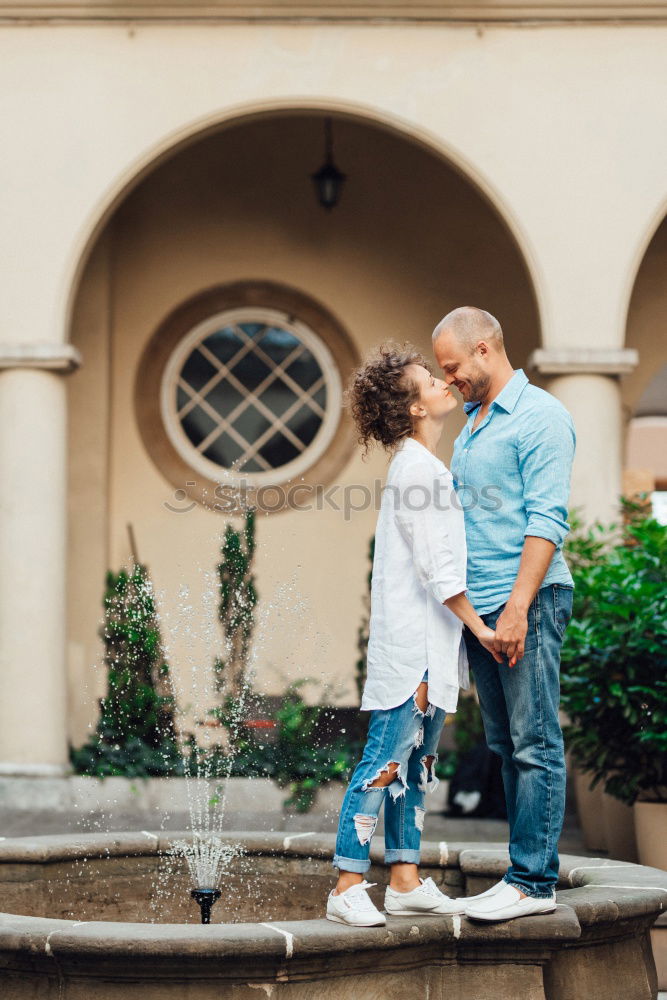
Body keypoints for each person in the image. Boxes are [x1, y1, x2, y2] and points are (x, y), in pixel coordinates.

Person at [326, 342, 502, 928]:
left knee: (417, 766)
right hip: (412, 651)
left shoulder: (426, 466)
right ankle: (348, 883)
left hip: (430, 648)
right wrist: (481, 626)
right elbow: (438, 567)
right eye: (429, 379)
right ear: (413, 409)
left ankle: (403, 879)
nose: (441, 381)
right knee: (383, 760)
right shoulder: (416, 470)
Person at [432, 306, 576, 922]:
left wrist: (517, 607)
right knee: (504, 742)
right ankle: (522, 873)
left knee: (535, 743)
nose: (450, 379)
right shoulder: (472, 423)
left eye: (454, 367)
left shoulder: (541, 417)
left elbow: (547, 521)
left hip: (527, 602)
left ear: (486, 349)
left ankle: (534, 882)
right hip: (484, 611)